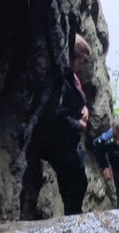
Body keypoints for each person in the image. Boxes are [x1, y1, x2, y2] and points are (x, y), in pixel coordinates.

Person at [40, 34, 92, 215]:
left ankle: (74, 217)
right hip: (60, 144)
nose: (82, 66)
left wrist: (84, 107)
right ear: (72, 57)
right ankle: (72, 220)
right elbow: (56, 113)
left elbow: (76, 100)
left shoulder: (71, 76)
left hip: (71, 143)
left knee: (79, 183)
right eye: (81, 61)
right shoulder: (61, 80)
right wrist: (79, 125)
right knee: (72, 186)